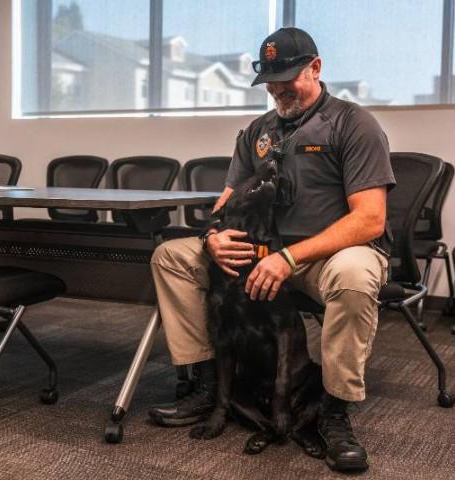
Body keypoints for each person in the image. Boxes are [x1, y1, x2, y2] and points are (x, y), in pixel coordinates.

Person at [148, 27, 395, 472]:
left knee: (355, 275)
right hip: (262, 252)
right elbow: (228, 200)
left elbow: (370, 219)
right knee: (173, 257)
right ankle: (207, 385)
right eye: (270, 82)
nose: (278, 90)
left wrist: (290, 258)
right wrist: (211, 238)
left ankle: (334, 412)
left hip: (327, 255)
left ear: (316, 68)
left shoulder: (352, 123)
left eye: (288, 78)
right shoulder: (258, 132)